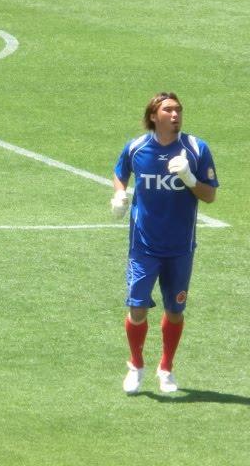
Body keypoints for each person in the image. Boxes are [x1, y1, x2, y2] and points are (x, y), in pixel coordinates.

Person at [111, 92, 218, 394]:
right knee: (137, 308)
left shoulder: (196, 149)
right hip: (143, 247)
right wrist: (119, 195)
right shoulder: (136, 147)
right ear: (153, 116)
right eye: (168, 110)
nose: (175, 115)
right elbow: (120, 173)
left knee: (174, 311)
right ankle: (136, 366)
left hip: (180, 248)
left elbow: (210, 196)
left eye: (178, 110)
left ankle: (166, 369)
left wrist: (189, 178)